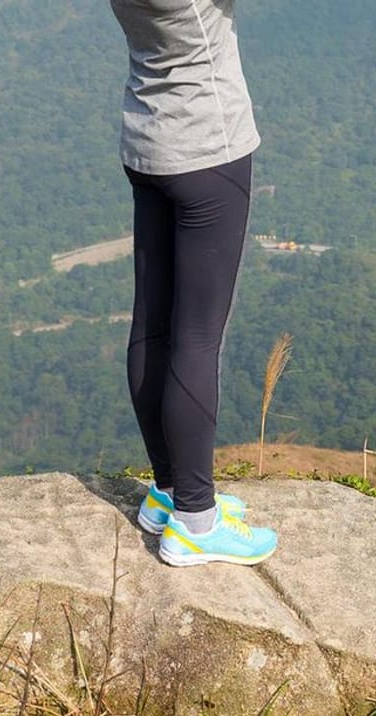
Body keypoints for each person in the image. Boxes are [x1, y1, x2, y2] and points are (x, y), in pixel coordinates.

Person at [109, 0, 277, 567]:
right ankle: (196, 521)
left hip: (147, 143)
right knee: (198, 339)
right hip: (208, 149)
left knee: (151, 324)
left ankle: (170, 490)